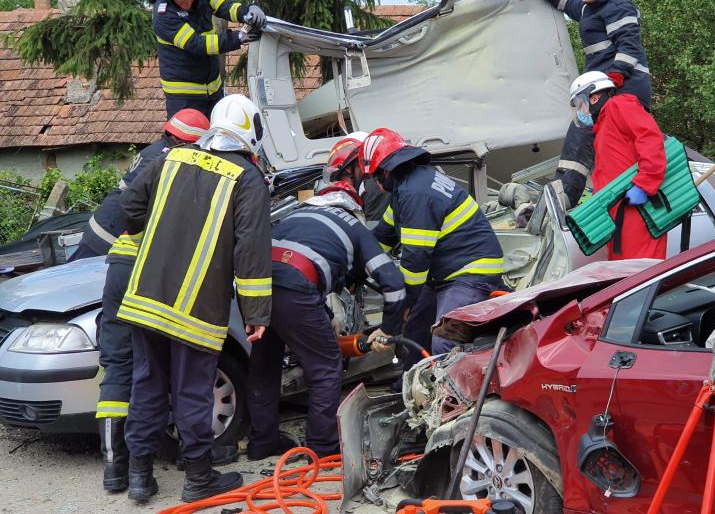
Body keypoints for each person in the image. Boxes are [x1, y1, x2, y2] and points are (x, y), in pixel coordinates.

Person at [117, 94, 272, 503]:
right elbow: (251, 251)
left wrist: (164, 230)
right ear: (250, 132)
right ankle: (199, 478)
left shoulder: (172, 158)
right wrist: (256, 312)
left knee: (147, 385)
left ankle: (139, 476)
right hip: (196, 310)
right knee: (192, 390)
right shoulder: (248, 179)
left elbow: (130, 205)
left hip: (145, 298)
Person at [246, 179, 405, 459]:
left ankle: (263, 442)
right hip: (296, 288)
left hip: (255, 288)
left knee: (264, 365)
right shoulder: (355, 226)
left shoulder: (295, 214)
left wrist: (323, 313)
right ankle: (322, 448)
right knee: (325, 366)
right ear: (354, 205)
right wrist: (388, 330)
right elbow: (393, 283)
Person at [94, 112, 209, 494]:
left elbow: (127, 207)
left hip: (117, 267)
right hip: (146, 273)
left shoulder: (147, 156)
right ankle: (154, 470)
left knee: (119, 368)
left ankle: (116, 472)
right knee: (155, 371)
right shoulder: (180, 167)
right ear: (195, 142)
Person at [512, 0, 652, 209]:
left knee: (580, 134)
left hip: (623, 89)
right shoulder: (591, 9)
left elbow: (629, 48)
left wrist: (613, 78)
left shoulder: (619, 7)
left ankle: (563, 199)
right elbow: (568, 4)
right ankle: (565, 197)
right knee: (589, 139)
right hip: (605, 89)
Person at [361, 128, 504, 361]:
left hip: (469, 274)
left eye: (374, 176)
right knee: (416, 331)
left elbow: (415, 262)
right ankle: (411, 383)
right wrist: (356, 268)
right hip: (445, 276)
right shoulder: (406, 189)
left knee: (444, 338)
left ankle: (449, 394)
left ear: (386, 171)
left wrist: (400, 308)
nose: (374, 184)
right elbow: (383, 237)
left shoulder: (415, 193)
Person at [69, 109, 210, 262]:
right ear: (184, 141)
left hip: (102, 224)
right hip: (111, 233)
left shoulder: (156, 149)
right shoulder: (166, 159)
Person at [149, 0, 268, 119]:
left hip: (213, 89)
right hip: (183, 96)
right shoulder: (163, 14)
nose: (188, 1)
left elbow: (225, 6)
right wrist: (237, 37)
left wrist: (247, 11)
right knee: (187, 142)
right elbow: (197, 44)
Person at [569, 71, 667, 260]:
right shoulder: (604, 124)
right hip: (620, 212)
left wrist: (644, 184)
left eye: (580, 104)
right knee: (624, 276)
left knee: (640, 274)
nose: (581, 111)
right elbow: (613, 167)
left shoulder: (618, 106)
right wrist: (600, 194)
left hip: (639, 212)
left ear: (594, 97)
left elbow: (650, 139)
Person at [323, 131, 391, 221]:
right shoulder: (381, 179)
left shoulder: (374, 187)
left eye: (341, 177)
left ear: (349, 169)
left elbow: (371, 231)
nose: (344, 185)